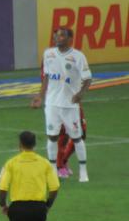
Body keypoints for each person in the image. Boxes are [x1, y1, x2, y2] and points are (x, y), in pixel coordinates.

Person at [31, 28, 92, 182]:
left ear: (70, 38)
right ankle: (52, 170)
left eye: (62, 35)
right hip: (52, 104)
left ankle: (83, 171)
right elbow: (46, 77)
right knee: (52, 137)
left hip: (70, 105)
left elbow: (88, 78)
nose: (58, 38)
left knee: (77, 138)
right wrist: (40, 95)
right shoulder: (48, 54)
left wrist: (81, 94)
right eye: (56, 36)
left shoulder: (78, 56)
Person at [56, 106, 86, 179]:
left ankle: (64, 160)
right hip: (62, 106)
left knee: (81, 136)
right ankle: (59, 166)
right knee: (64, 136)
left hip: (76, 105)